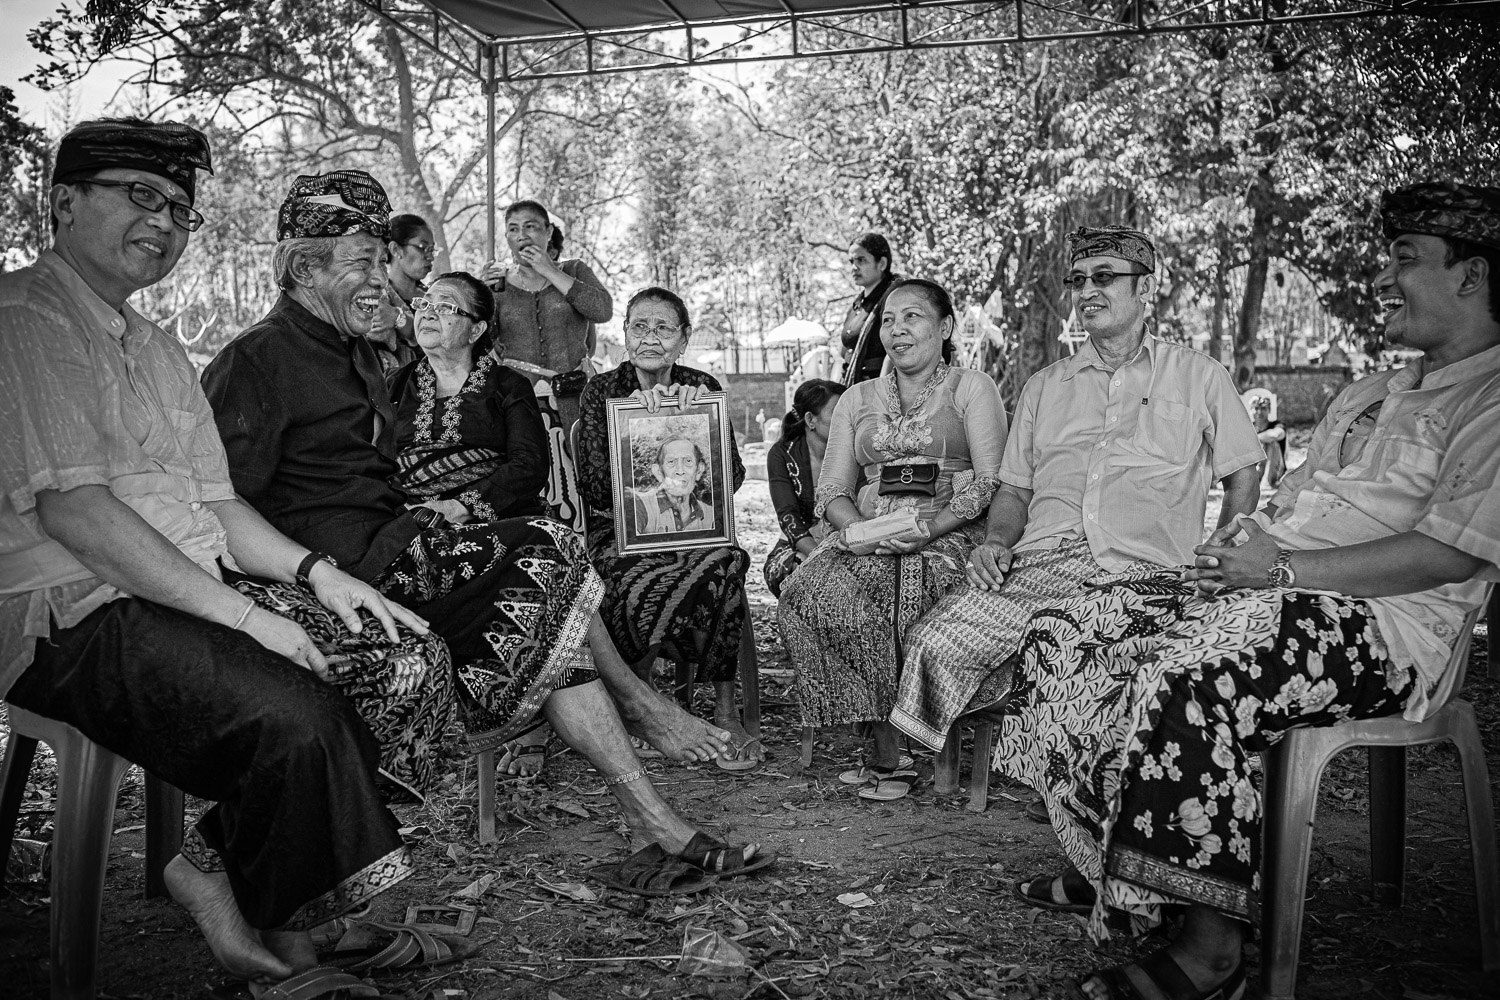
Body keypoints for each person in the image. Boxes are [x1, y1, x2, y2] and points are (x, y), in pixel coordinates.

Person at [1003, 182, 1500, 1000]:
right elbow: (1288, 503)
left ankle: (1211, 951)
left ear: (1473, 276)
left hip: (1382, 624)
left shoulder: (1489, 398)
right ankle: (1125, 877)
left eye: (1403, 261)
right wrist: (1239, 548)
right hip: (1275, 590)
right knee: (1070, 634)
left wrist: (1275, 573)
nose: (1381, 279)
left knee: (1192, 670)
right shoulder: (1371, 391)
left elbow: (1444, 554)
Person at [203, 172, 767, 877]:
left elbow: (520, 467)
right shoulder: (256, 360)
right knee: (547, 550)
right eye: (362, 262)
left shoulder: (364, 356)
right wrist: (309, 579)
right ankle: (643, 713)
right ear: (305, 266)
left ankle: (653, 824)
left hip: (402, 544)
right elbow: (217, 506)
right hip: (345, 572)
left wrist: (454, 505)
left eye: (384, 260)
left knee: (553, 619)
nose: (385, 281)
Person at [0, 119, 431, 996]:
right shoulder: (23, 319)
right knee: (295, 713)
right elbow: (79, 516)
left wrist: (317, 576)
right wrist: (246, 617)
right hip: (72, 615)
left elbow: (218, 503)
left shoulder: (156, 347)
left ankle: (261, 894)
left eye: (180, 210)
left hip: (174, 592)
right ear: (65, 203)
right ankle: (284, 946)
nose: (163, 220)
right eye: (140, 195)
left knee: (395, 657)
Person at [893, 226, 1264, 755]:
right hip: (1042, 562)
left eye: (1105, 277)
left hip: (1149, 571)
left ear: (1146, 290)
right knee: (937, 639)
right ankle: (1011, 747)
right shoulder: (1045, 385)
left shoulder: (1199, 376)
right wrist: (996, 541)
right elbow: (1015, 492)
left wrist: (1225, 552)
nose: (1088, 290)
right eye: (1079, 279)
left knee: (1071, 647)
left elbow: (1243, 475)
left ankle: (1075, 768)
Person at [777, 279, 1008, 801]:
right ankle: (879, 732)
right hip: (868, 533)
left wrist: (929, 528)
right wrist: (857, 531)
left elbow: (992, 479)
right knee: (808, 590)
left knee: (905, 582)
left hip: (948, 531)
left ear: (944, 327)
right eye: (887, 320)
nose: (897, 329)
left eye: (913, 317)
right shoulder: (857, 397)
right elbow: (833, 488)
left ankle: (895, 750)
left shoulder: (972, 387)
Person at [576, 287, 762, 770]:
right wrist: (643, 419)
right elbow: (595, 487)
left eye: (663, 328)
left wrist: (690, 416)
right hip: (620, 533)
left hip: (693, 532)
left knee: (726, 562)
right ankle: (641, 696)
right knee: (627, 574)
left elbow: (733, 478)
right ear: (625, 335)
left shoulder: (701, 385)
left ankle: (724, 710)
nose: (650, 338)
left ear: (683, 339)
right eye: (639, 326)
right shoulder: (603, 391)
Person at [481, 200, 611, 433]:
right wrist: (481, 297)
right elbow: (481, 342)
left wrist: (548, 270)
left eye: (530, 226)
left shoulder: (574, 270)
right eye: (513, 229)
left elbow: (602, 310)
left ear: (548, 232)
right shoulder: (497, 283)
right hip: (516, 399)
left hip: (575, 397)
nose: (522, 235)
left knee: (578, 463)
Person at [763, 379, 844, 598]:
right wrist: (820, 555)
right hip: (799, 545)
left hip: (847, 543)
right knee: (801, 572)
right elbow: (788, 516)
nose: (846, 421)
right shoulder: (781, 455)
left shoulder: (854, 450)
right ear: (810, 420)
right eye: (837, 414)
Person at [366, 213, 433, 380]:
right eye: (423, 247)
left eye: (432, 250)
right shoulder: (374, 293)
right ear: (396, 249)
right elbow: (374, 335)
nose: (430, 256)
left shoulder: (434, 299)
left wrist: (398, 318)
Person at [839, 232, 902, 385]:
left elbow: (896, 352)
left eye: (861, 260)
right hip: (852, 388)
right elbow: (843, 353)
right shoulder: (857, 305)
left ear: (882, 263)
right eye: (851, 261)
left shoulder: (895, 299)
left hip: (881, 391)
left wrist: (880, 396)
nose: (854, 267)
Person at [632, 436, 716, 534]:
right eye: (671, 462)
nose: (680, 471)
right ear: (659, 472)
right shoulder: (640, 505)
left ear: (698, 471)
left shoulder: (711, 515)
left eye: (688, 461)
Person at [1241, 386, 1287, 487]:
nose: (1259, 412)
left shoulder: (1276, 425)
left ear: (1269, 410)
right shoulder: (1247, 427)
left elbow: (1277, 434)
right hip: (1255, 468)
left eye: (1263, 409)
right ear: (1251, 410)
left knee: (1272, 443)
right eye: (1256, 408)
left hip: (1274, 469)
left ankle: (1267, 482)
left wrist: (1254, 438)